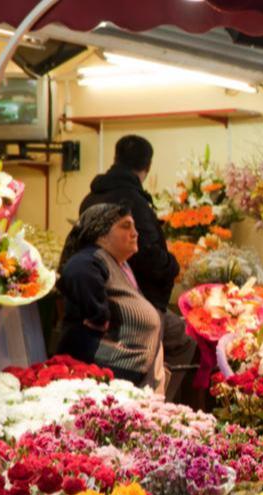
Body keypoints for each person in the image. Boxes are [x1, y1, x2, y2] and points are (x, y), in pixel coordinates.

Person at [80, 135, 197, 400]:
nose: (130, 234)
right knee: (184, 340)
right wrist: (172, 266)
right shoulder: (134, 205)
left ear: (115, 159)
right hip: (132, 307)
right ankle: (156, 404)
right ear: (147, 166)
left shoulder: (90, 199)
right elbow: (150, 259)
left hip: (97, 303)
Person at [55, 203, 165, 389]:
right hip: (102, 376)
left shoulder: (118, 264)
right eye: (125, 226)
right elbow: (75, 270)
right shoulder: (92, 257)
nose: (135, 233)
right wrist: (98, 313)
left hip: (121, 377)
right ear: (101, 234)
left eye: (134, 226)